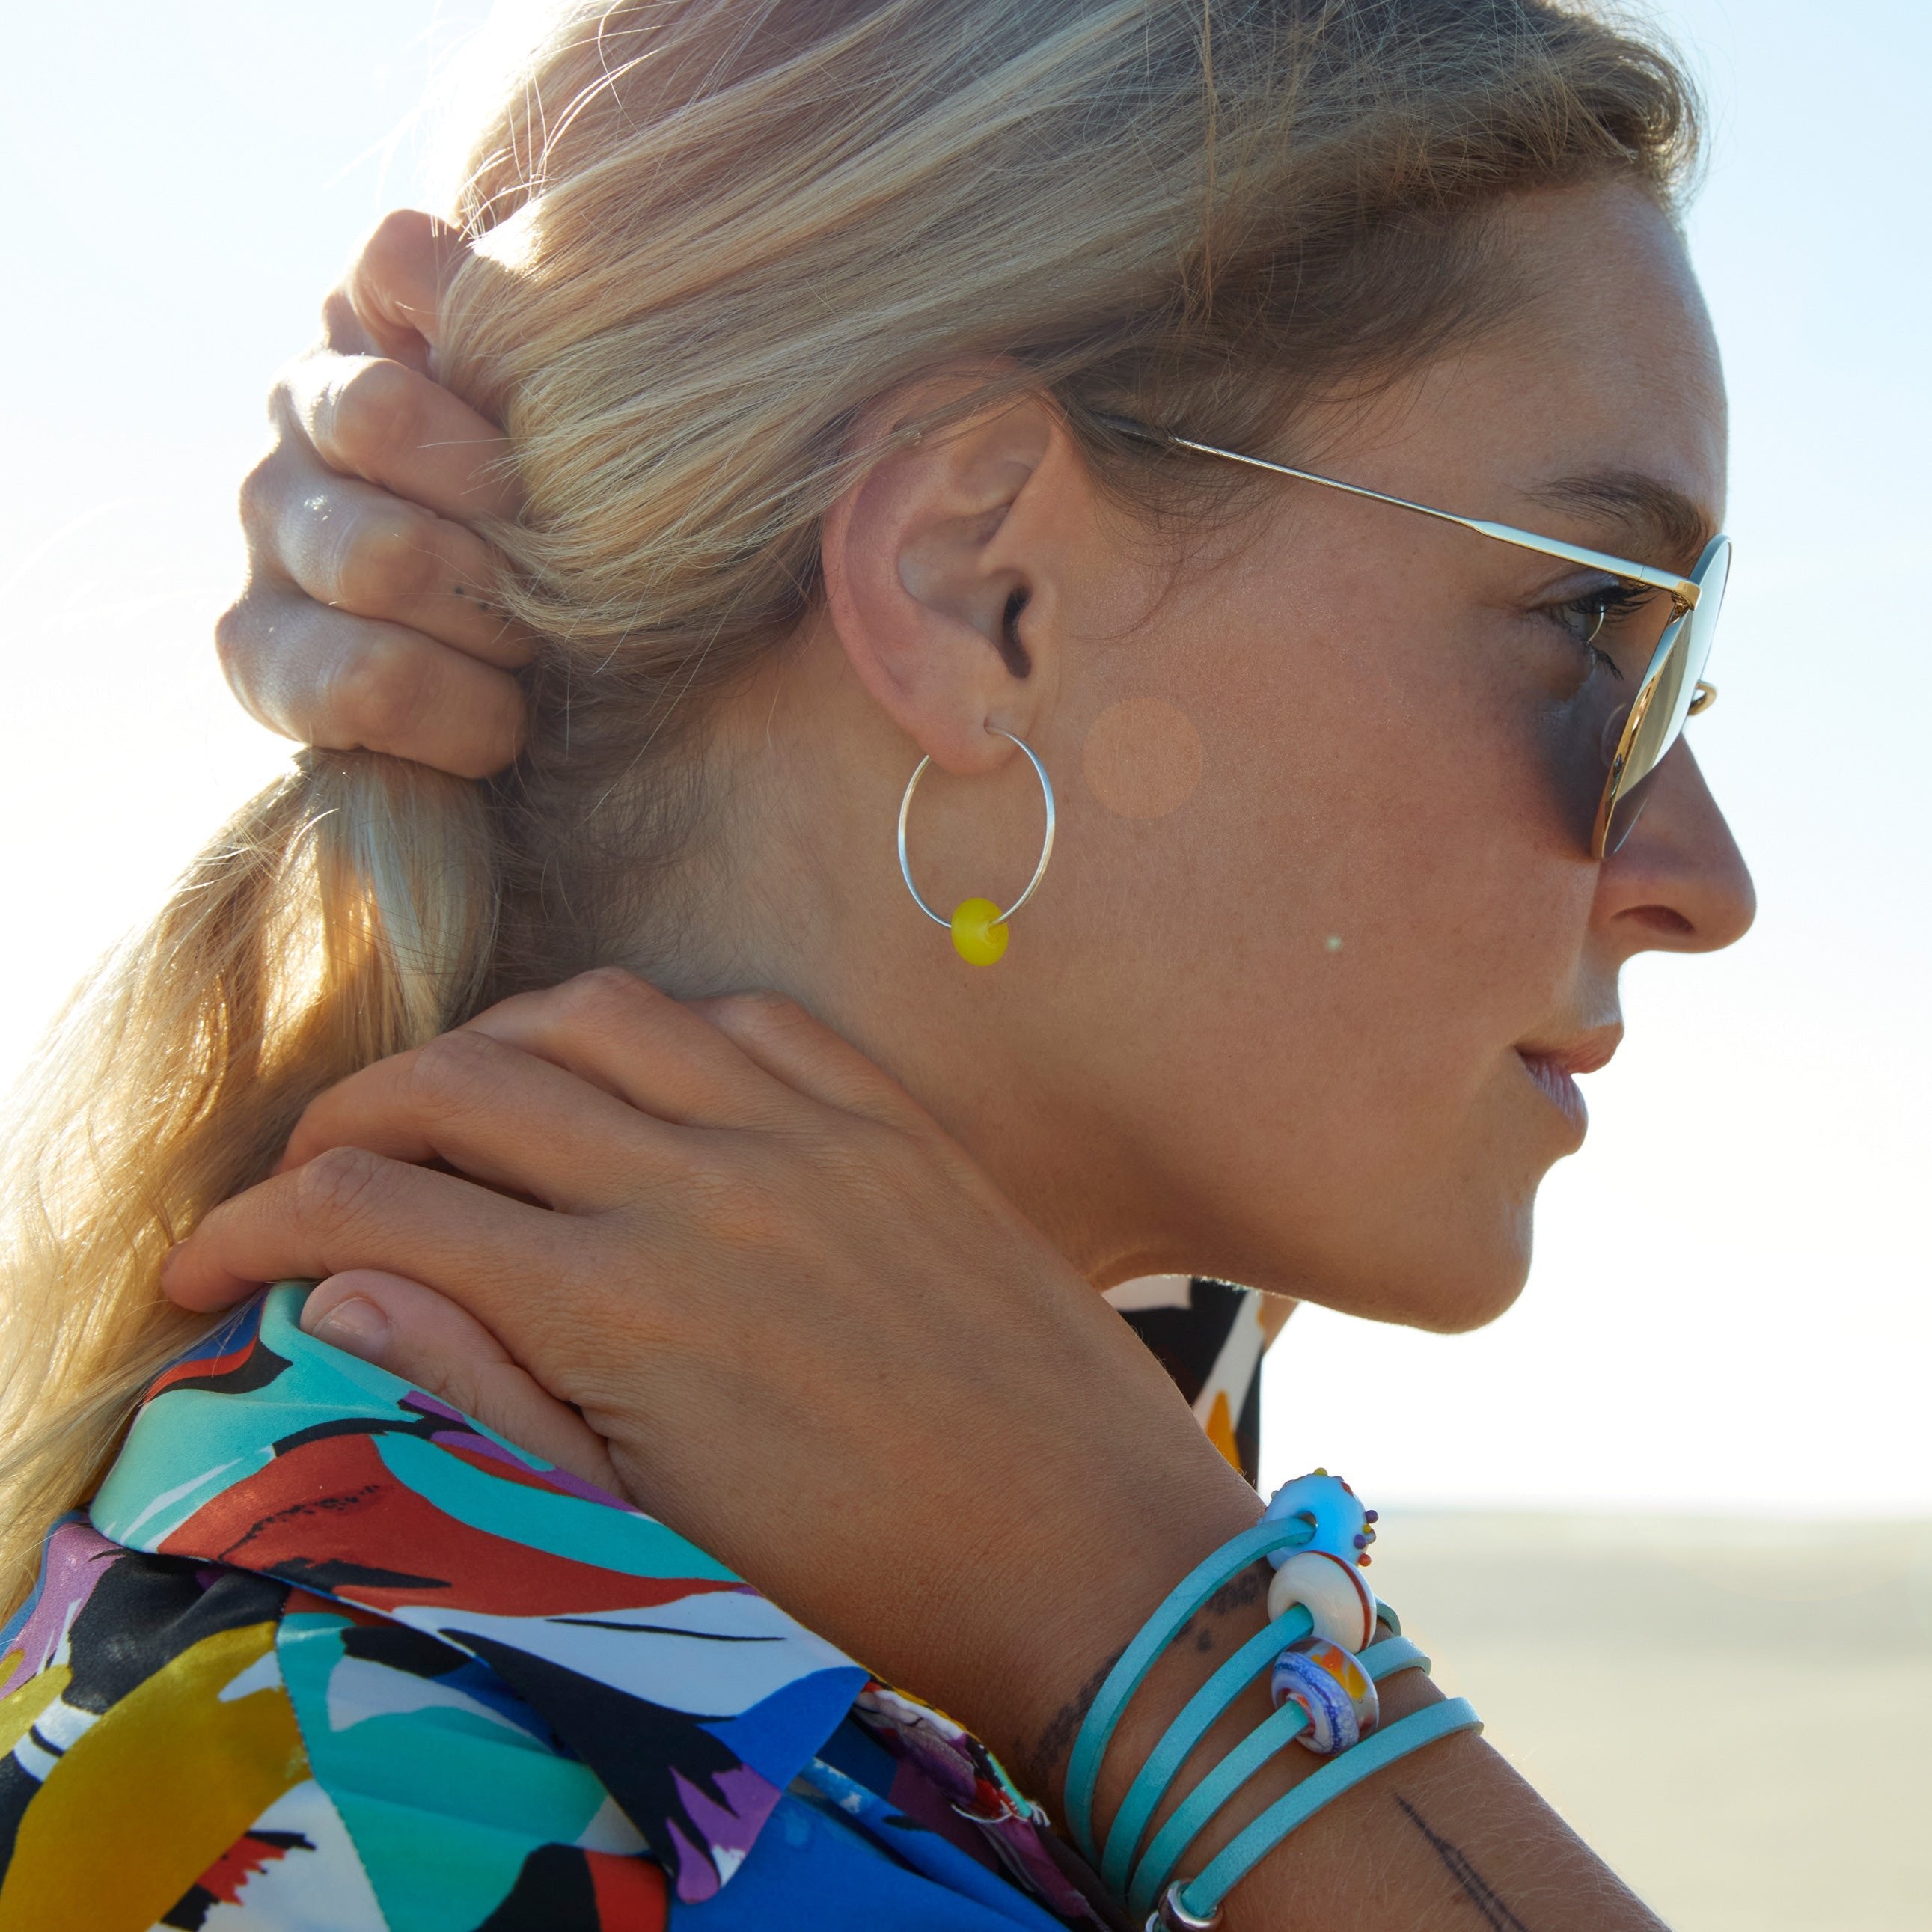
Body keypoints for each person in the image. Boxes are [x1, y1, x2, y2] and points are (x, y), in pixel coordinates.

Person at [0, 1, 1755, 1925]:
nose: (1705, 873)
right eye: (1595, 626)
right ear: (973, 587)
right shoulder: (374, 1798)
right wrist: (1148, 1619)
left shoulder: (1064, 1344)